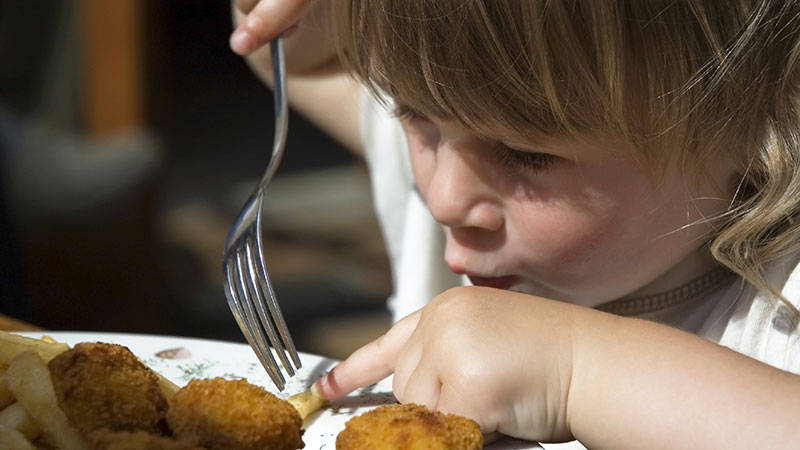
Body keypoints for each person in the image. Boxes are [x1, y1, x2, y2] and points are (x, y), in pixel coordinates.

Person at [230, 1, 800, 448]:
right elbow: (282, 50)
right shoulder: (456, 138)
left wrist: (577, 368)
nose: (445, 201)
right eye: (413, 116)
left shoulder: (782, 306)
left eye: (522, 153)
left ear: (766, 122)